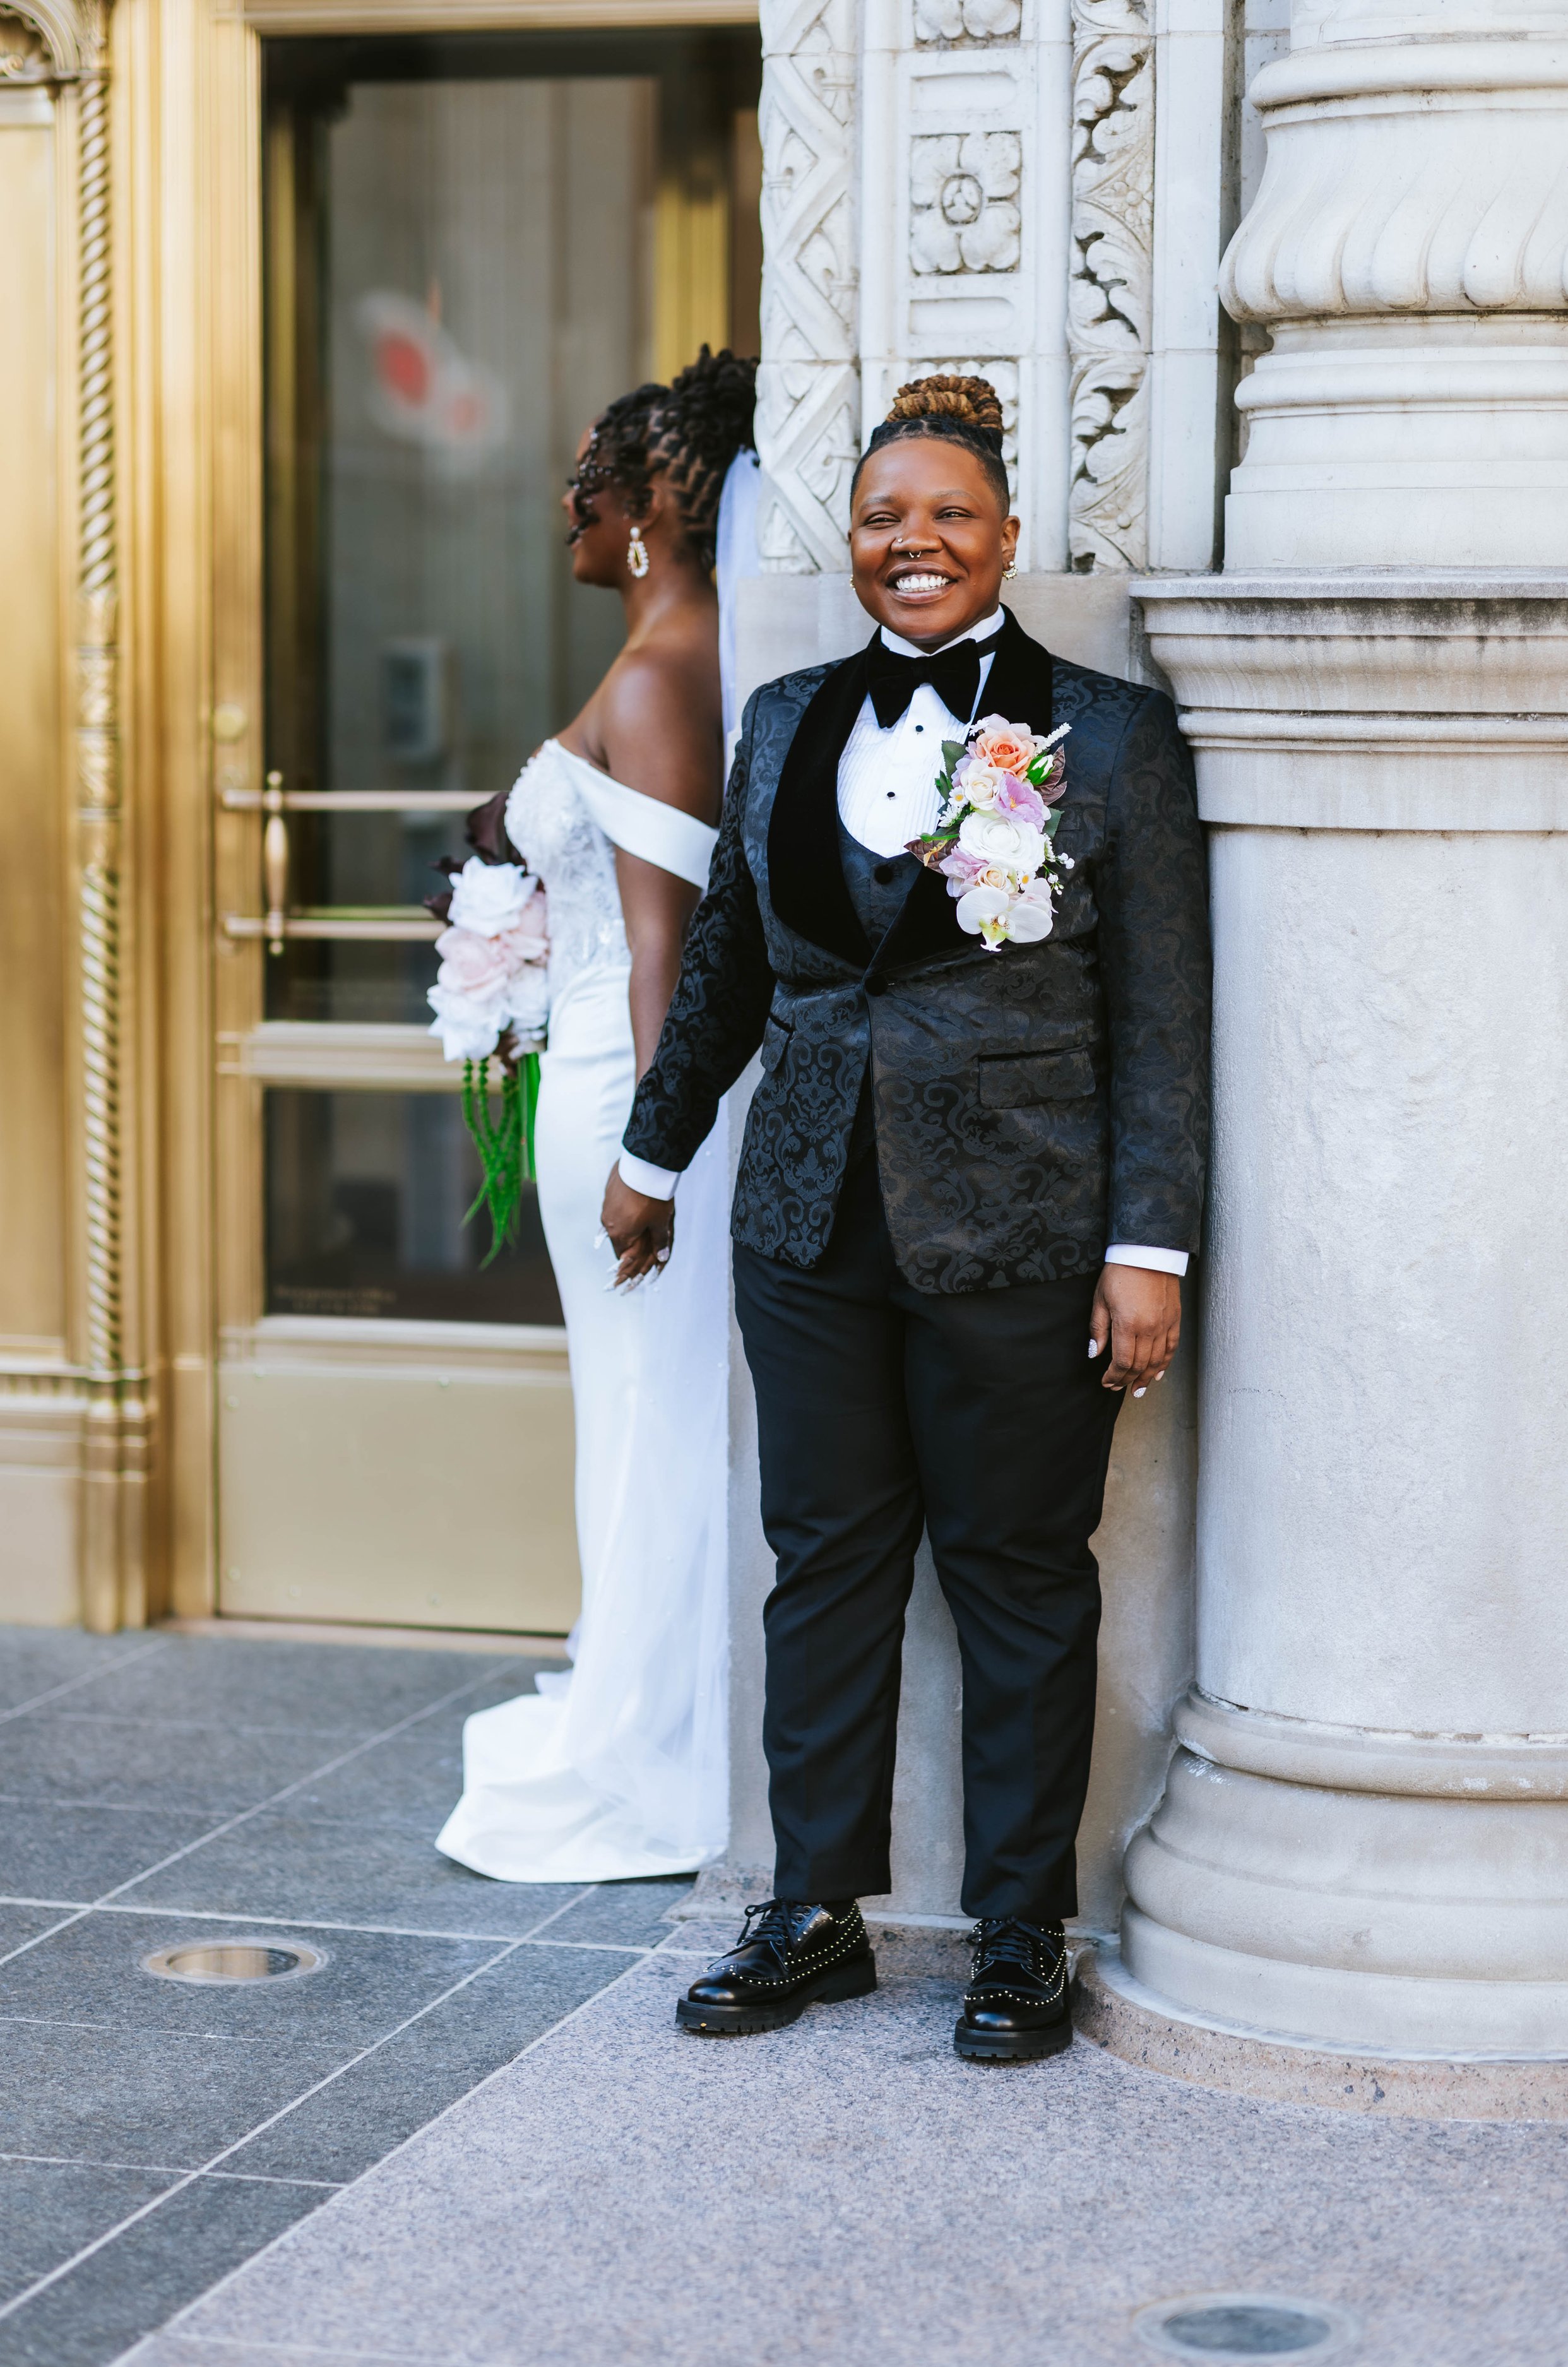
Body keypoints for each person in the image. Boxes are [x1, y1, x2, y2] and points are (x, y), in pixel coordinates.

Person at [602, 375, 1210, 2057]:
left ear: (1005, 536)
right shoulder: (784, 716)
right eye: (883, 517)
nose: (912, 541)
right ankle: (811, 1909)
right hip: (805, 1222)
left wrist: (1146, 1246)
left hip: (1021, 1226)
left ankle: (1020, 1928)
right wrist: (654, 1152)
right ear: (851, 542)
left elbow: (1162, 1015)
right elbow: (727, 960)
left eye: (947, 515)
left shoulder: (1109, 737)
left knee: (1016, 1570)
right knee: (823, 1561)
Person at [436, 349, 757, 1885]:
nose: (561, 507)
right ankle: (639, 1696)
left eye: (583, 481)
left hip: (625, 1099)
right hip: (607, 1081)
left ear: (647, 510)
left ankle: (652, 1750)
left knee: (651, 1408)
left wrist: (652, 1155)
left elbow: (661, 946)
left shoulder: (654, 670)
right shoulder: (666, 652)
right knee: (637, 1402)